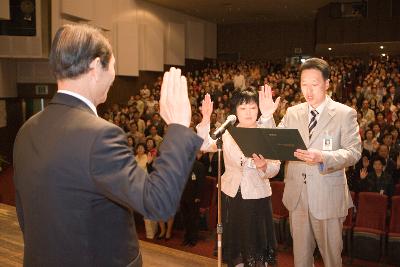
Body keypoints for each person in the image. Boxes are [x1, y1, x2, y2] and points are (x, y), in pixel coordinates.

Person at [12, 24, 202, 267]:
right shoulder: (100, 135)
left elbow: (26, 216)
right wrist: (178, 127)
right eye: (113, 65)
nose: (114, 74)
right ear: (95, 66)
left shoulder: (27, 129)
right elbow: (159, 203)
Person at [276, 58, 362, 267]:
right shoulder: (292, 112)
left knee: (332, 258)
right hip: (298, 197)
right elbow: (275, 141)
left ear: (327, 83)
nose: (308, 90)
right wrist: (268, 115)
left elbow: (354, 152)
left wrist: (323, 157)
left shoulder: (344, 113)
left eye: (314, 84)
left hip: (328, 196)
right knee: (301, 259)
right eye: (304, 84)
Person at [197, 86, 281, 267]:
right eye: (243, 108)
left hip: (256, 198)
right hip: (231, 195)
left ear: (259, 110)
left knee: (255, 247)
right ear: (235, 111)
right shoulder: (227, 132)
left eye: (252, 108)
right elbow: (205, 145)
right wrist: (205, 119)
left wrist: (264, 166)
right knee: (235, 248)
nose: (248, 112)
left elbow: (276, 167)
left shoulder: (266, 129)